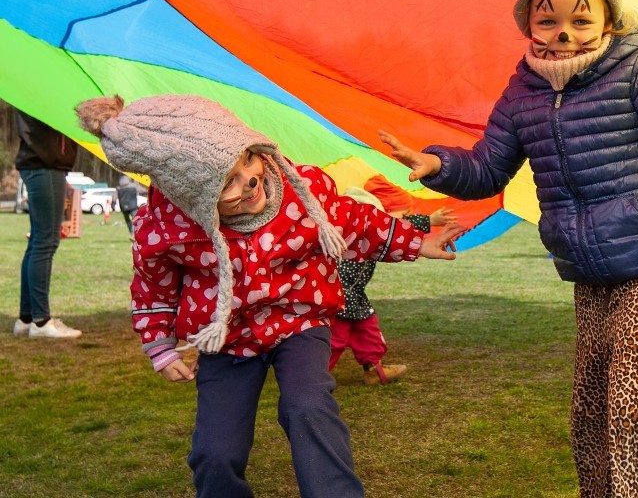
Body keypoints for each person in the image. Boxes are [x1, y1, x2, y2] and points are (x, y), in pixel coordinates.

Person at [379, 0, 638, 497]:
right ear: (528, 22)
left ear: (608, 14)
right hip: (589, 270)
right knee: (592, 404)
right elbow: (488, 168)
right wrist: (438, 164)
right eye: (547, 17)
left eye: (581, 18)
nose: (565, 32)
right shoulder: (525, 90)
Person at [76, 93, 464, 498]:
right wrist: (160, 345)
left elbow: (356, 222)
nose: (250, 180)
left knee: (308, 408)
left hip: (300, 320)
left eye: (247, 158)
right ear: (191, 195)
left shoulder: (301, 191)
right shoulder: (167, 227)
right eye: (227, 182)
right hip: (227, 337)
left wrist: (417, 243)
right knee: (215, 452)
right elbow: (152, 286)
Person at [330, 186, 457, 385]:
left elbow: (395, 228)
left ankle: (373, 369)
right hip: (337, 297)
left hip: (356, 296)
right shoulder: (345, 234)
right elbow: (396, 225)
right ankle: (311, 378)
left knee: (367, 330)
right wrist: (429, 220)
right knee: (334, 340)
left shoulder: (373, 233)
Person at [12, 109, 83, 339]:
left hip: (42, 162)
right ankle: (41, 321)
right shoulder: (40, 86)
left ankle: (26, 318)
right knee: (46, 242)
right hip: (45, 162)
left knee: (37, 241)